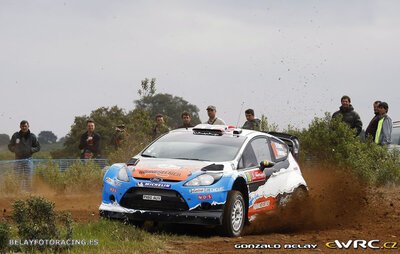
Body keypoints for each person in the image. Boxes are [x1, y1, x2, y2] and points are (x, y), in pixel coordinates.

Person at [8, 120, 41, 190]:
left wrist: (31, 150)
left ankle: (29, 192)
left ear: (28, 126)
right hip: (18, 159)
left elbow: (38, 147)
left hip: (28, 159)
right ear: (20, 127)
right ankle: (17, 191)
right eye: (22, 126)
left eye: (25, 126)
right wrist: (14, 149)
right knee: (17, 177)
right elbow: (10, 146)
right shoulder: (15, 135)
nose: (24, 128)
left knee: (28, 177)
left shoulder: (32, 136)